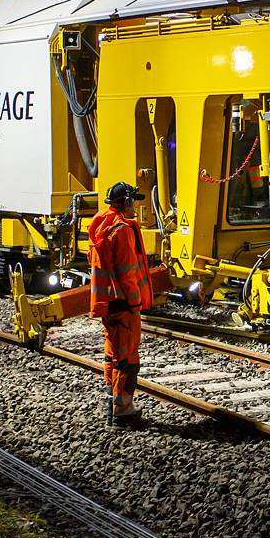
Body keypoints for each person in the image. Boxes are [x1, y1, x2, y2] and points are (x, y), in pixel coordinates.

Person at [88, 181, 154, 427]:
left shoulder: (102, 225)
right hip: (124, 303)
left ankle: (112, 403)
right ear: (125, 202)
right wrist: (136, 303)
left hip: (108, 302)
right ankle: (122, 413)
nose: (135, 206)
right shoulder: (122, 230)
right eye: (132, 201)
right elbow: (127, 272)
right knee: (127, 360)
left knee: (113, 356)